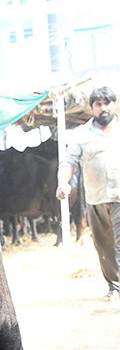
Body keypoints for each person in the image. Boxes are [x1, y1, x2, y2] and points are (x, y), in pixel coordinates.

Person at [57, 85, 120, 302]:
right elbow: (69, 161)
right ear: (92, 108)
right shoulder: (81, 134)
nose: (103, 108)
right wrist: (63, 183)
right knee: (104, 246)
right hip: (96, 198)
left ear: (114, 104)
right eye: (98, 105)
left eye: (107, 103)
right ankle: (114, 287)